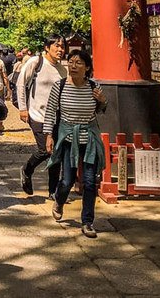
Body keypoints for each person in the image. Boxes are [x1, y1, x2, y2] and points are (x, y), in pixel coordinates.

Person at [44, 49, 108, 238]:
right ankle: (59, 199)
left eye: (78, 62)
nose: (73, 66)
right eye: (70, 62)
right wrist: (49, 135)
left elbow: (102, 109)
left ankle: (87, 222)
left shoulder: (94, 87)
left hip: (89, 138)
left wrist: (103, 101)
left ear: (87, 67)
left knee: (89, 182)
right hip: (68, 137)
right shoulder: (60, 86)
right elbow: (50, 112)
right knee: (67, 180)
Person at [16, 37, 68, 196]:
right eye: (56, 46)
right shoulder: (35, 62)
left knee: (56, 154)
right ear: (47, 47)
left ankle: (53, 191)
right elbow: (20, 83)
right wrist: (23, 108)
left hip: (56, 117)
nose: (60, 49)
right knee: (45, 150)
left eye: (62, 47)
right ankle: (27, 169)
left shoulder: (62, 70)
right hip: (37, 114)